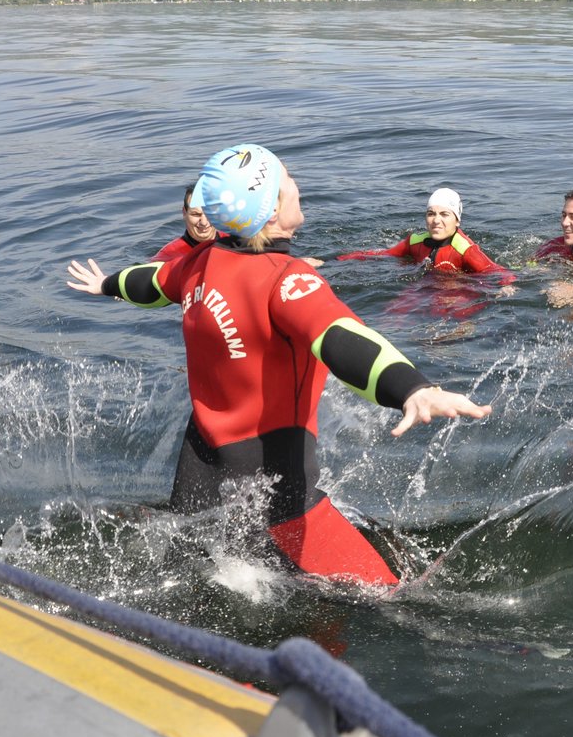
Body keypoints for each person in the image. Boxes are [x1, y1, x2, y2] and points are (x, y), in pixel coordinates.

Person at [66, 144, 490, 585]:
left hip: (202, 466)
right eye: (286, 180)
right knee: (395, 596)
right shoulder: (286, 278)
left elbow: (151, 281)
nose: (296, 184)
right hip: (276, 488)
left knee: (199, 568)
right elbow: (340, 337)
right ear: (269, 212)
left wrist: (107, 284)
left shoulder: (199, 263)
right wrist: (411, 387)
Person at [336, 187, 517, 291]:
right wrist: (336, 260)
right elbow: (381, 255)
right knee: (394, 314)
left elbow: (500, 272)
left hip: (458, 289)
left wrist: (506, 286)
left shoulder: (465, 249)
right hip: (424, 286)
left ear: (457, 219)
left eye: (445, 214)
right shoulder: (414, 241)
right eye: (431, 214)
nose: (436, 220)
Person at [153, 183, 216, 261]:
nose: (204, 222)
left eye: (209, 213)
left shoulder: (232, 241)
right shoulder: (167, 257)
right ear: (184, 213)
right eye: (196, 214)